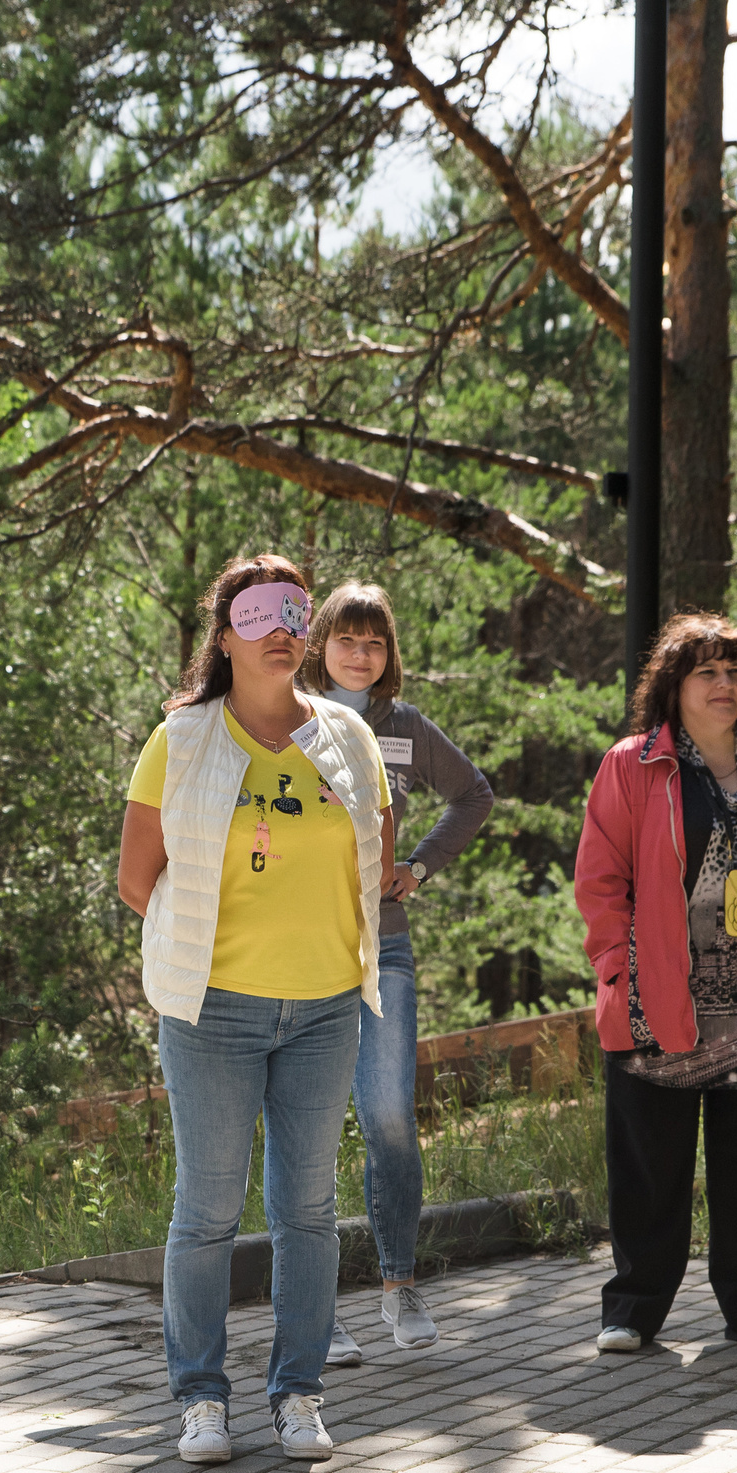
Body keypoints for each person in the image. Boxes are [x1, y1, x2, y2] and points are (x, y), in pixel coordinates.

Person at [118, 555, 394, 1465]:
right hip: (213, 1011)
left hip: (324, 1010)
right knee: (205, 1209)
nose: (281, 627)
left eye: (294, 611)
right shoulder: (181, 740)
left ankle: (299, 1391)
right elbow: (136, 877)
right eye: (258, 612)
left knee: (308, 1209)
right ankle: (200, 1397)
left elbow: (374, 862)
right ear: (225, 632)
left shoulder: (348, 738)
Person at [573, 614, 737, 1355]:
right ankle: (632, 1308)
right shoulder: (631, 764)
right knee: (649, 1161)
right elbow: (601, 881)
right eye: (707, 672)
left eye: (735, 671)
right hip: (658, 992)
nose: (725, 685)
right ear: (674, 685)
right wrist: (619, 968)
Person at [295, 582, 493, 1361]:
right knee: (305, 1133)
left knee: (387, 1116)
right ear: (320, 645)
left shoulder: (404, 727)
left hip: (386, 944)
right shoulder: (290, 716)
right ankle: (315, 1310)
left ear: (388, 656)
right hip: (301, 950)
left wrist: (419, 865)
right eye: (346, 638)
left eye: (374, 642)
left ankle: (398, 1286)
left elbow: (473, 795)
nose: (359, 653)